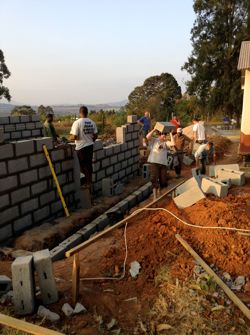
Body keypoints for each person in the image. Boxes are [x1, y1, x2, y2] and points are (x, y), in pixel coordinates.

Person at [70, 106, 98, 192]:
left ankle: (87, 183)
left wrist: (69, 138)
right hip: (90, 146)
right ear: (87, 113)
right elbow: (96, 135)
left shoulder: (77, 122)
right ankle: (90, 182)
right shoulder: (92, 122)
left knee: (83, 166)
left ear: (80, 113)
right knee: (88, 164)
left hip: (81, 147)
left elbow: (74, 136)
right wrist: (90, 140)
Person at [146, 127, 174, 199]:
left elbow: (173, 144)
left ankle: (160, 192)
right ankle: (155, 197)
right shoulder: (154, 140)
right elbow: (147, 136)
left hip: (163, 164)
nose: (164, 135)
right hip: (154, 162)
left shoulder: (166, 143)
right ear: (159, 135)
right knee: (154, 179)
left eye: (165, 134)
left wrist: (170, 133)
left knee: (163, 180)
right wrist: (154, 129)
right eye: (162, 134)